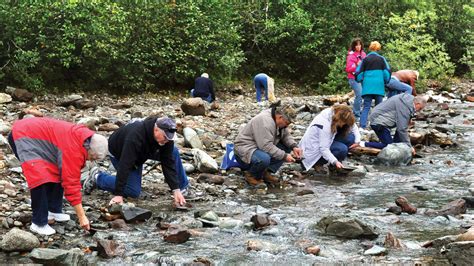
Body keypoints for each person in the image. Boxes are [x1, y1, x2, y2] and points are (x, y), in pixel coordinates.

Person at [8, 117, 108, 235]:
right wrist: (82, 217)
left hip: (38, 136)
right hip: (23, 136)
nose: (90, 161)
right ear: (90, 150)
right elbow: (71, 183)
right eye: (92, 158)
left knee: (56, 171)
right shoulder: (74, 150)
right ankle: (38, 223)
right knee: (40, 177)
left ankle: (53, 209)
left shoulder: (85, 138)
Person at [81, 117, 190, 207]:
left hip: (145, 150)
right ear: (156, 130)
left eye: (169, 139)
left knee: (173, 152)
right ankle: (97, 177)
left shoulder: (166, 136)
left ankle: (182, 188)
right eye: (165, 138)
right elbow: (125, 164)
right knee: (132, 191)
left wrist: (175, 189)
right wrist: (119, 194)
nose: (167, 141)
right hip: (120, 152)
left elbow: (168, 161)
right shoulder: (135, 137)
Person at [234, 103, 303, 187]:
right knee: (264, 159)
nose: (287, 125)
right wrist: (284, 156)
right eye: (287, 123)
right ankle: (251, 175)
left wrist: (294, 146)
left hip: (259, 147)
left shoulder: (278, 120)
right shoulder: (265, 122)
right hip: (245, 150)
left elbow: (285, 135)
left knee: (287, 146)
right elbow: (266, 146)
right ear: (280, 117)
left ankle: (265, 172)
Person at [357, 94, 426, 154]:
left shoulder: (408, 99)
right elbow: (401, 129)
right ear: (417, 104)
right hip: (378, 122)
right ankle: (362, 144)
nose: (418, 111)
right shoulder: (405, 106)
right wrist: (409, 146)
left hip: (379, 118)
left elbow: (403, 125)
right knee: (389, 146)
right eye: (420, 109)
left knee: (398, 140)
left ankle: (397, 147)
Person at [299, 105, 361, 171]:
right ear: (339, 119)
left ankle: (335, 162)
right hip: (314, 151)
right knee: (342, 149)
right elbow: (323, 149)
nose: (343, 124)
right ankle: (319, 163)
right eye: (344, 122)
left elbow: (353, 126)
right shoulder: (325, 124)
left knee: (351, 138)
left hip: (327, 140)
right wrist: (335, 161)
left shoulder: (334, 113)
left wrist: (357, 141)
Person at [356, 41, 391, 129]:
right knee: (379, 108)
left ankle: (362, 126)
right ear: (378, 49)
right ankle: (377, 125)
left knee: (366, 107)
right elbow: (387, 72)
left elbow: (358, 73)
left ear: (370, 48)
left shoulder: (365, 59)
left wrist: (359, 80)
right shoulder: (382, 59)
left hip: (367, 87)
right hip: (379, 87)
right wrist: (386, 81)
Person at [345, 38, 367, 121]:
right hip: (353, 78)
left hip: (362, 78)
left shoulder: (364, 54)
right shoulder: (351, 55)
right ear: (354, 46)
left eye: (359, 44)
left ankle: (360, 111)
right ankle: (356, 114)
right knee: (359, 94)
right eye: (356, 45)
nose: (358, 46)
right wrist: (356, 65)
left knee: (364, 95)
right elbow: (348, 69)